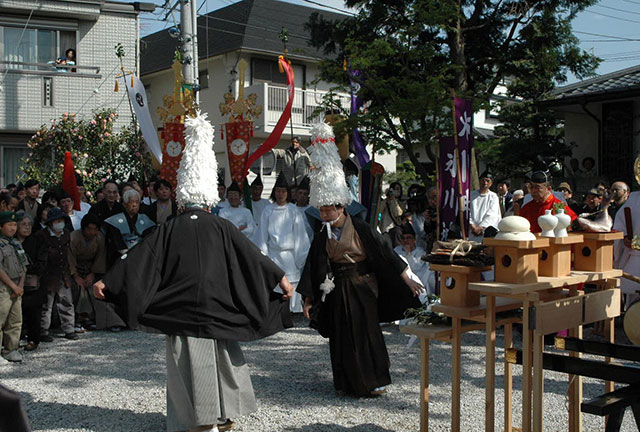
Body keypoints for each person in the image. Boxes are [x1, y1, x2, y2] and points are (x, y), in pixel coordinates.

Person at [93, 112, 294, 432]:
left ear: (182, 197)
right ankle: (222, 415)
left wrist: (108, 280)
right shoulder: (222, 226)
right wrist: (280, 279)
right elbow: (252, 257)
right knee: (223, 360)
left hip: (181, 307)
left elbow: (141, 257)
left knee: (189, 365)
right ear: (209, 199)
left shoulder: (170, 228)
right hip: (219, 307)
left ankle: (200, 421)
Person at [298, 122, 422, 397]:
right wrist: (308, 297)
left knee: (366, 336)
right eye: (322, 209)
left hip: (363, 285)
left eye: (328, 209)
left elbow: (385, 252)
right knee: (341, 337)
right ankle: (346, 382)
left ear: (340, 206)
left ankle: (373, 380)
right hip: (339, 288)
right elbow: (314, 264)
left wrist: (406, 277)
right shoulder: (323, 231)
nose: (325, 213)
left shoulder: (360, 226)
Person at [254, 172, 310, 313]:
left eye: (283, 191)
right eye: (278, 191)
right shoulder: (268, 210)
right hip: (274, 253)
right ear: (274, 192)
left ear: (288, 193)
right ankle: (274, 310)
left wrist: (300, 258)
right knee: (274, 283)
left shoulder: (293, 210)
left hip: (290, 255)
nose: (280, 194)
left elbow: (300, 235)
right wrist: (264, 256)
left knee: (292, 282)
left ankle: (294, 311)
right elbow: (262, 235)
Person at [69, 214, 124, 331]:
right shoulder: (74, 237)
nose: (92, 232)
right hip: (75, 269)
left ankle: (111, 321)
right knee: (79, 290)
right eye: (89, 229)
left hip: (91, 269)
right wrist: (75, 276)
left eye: (95, 229)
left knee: (95, 290)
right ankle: (81, 318)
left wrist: (92, 273)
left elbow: (100, 257)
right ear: (83, 228)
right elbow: (70, 257)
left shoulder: (99, 238)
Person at [34, 207, 78, 342]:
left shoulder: (66, 233)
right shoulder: (41, 236)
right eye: (56, 221)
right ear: (50, 223)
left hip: (63, 272)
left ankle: (69, 329)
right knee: (46, 305)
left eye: (61, 220)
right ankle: (43, 331)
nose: (59, 223)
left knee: (66, 302)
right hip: (47, 274)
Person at [15, 211, 46, 352]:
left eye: (29, 224)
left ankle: (33, 339)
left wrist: (27, 268)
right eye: (23, 224)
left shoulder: (38, 240)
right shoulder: (11, 241)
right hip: (14, 281)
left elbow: (42, 262)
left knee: (34, 312)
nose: (27, 227)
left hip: (33, 281)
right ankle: (15, 340)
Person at [103, 189, 155, 267]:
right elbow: (117, 242)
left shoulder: (145, 219)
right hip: (121, 256)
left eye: (137, 202)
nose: (134, 205)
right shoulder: (115, 221)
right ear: (125, 204)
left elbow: (147, 238)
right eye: (131, 202)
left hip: (140, 254)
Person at [0, 212, 27, 362]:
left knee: (15, 320)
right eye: (9, 225)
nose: (13, 228)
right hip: (3, 287)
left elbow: (24, 265)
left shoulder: (16, 243)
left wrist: (20, 286)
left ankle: (11, 349)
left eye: (15, 225)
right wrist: (13, 286)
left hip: (17, 285)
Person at [393, 223, 435, 294]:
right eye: (403, 238)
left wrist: (408, 254)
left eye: (408, 238)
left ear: (414, 240)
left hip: (417, 281)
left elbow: (415, 268)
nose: (406, 240)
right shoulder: (397, 250)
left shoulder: (421, 252)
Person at [469, 171, 501, 243]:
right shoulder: (471, 195)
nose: (485, 183)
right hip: (471, 230)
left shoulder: (493, 197)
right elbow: (467, 211)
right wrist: (472, 226)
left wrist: (481, 228)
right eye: (483, 180)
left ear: (491, 183)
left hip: (486, 231)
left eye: (487, 181)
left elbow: (492, 214)